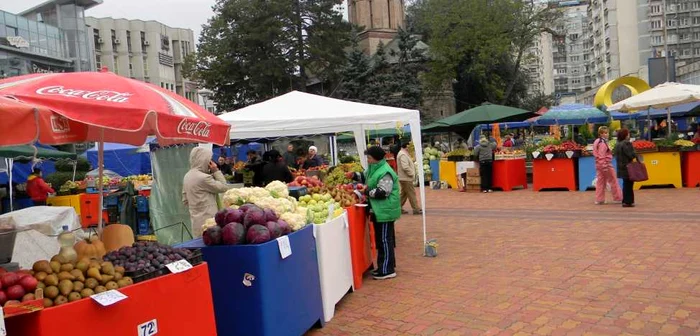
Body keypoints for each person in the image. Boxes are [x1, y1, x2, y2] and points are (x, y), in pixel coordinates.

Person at [346, 146, 401, 280]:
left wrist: (365, 192)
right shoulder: (374, 168)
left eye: (369, 158)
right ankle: (384, 266)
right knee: (381, 240)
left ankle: (387, 270)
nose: (368, 160)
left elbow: (383, 192)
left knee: (384, 240)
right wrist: (354, 175)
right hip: (379, 210)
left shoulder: (386, 171)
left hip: (385, 210)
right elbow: (366, 176)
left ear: (376, 158)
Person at [182, 147, 232, 237]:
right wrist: (216, 171)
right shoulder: (203, 178)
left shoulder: (187, 175)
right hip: (208, 218)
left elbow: (185, 200)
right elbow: (224, 187)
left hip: (195, 219)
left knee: (199, 242)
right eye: (209, 160)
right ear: (204, 160)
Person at [592, 126, 622, 205]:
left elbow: (596, 154)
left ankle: (599, 199)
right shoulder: (602, 143)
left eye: (607, 133)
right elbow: (602, 155)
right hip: (606, 164)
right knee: (613, 180)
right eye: (605, 133)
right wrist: (604, 166)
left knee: (600, 182)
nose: (606, 134)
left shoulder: (597, 141)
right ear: (600, 134)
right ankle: (618, 198)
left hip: (598, 164)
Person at [614, 128, 638, 208]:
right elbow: (631, 155)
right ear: (625, 135)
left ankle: (625, 200)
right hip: (628, 167)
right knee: (629, 184)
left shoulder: (617, 144)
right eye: (628, 133)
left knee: (625, 184)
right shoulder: (626, 143)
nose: (629, 135)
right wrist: (635, 152)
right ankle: (628, 201)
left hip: (621, 167)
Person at [397, 142, 422, 215]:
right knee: (411, 193)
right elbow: (405, 166)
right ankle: (416, 209)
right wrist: (412, 174)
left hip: (404, 177)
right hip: (406, 178)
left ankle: (397, 208)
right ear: (406, 147)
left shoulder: (403, 153)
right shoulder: (402, 154)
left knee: (404, 194)